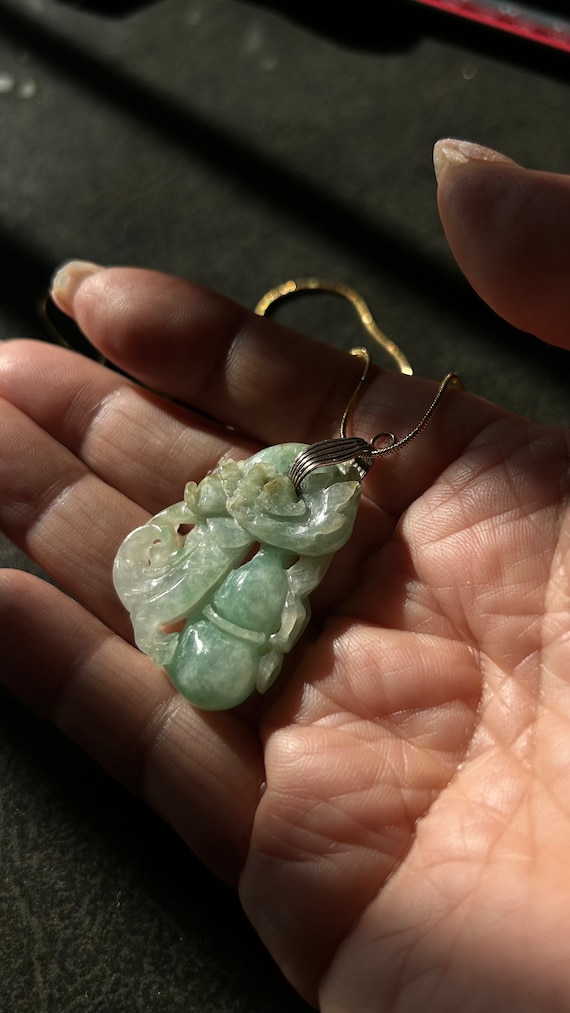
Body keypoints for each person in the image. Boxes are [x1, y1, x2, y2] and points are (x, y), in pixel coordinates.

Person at [0, 138, 569, 1012]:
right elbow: (215, 530)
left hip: (245, 596)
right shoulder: (274, 491)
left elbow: (274, 553)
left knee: (236, 613)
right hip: (216, 573)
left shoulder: (319, 506)